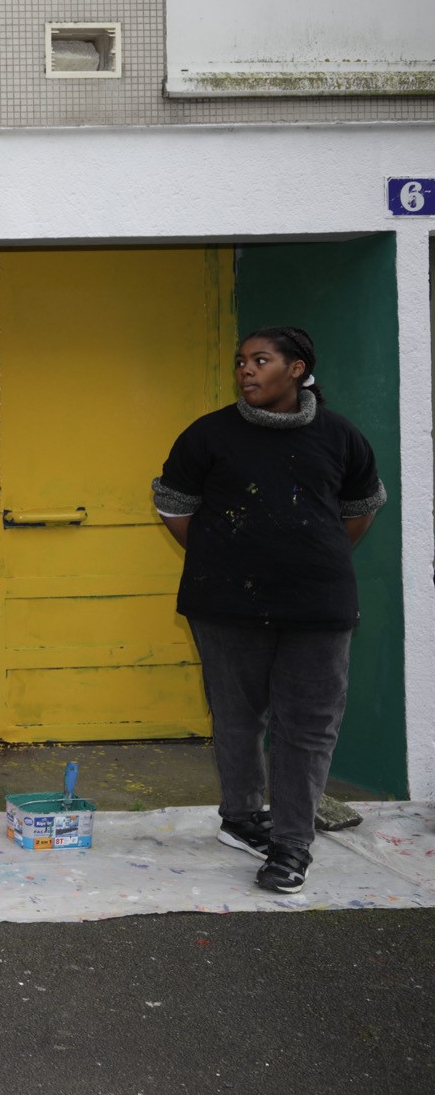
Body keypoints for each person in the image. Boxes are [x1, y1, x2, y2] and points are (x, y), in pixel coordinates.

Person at [152, 325, 386, 895]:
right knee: (237, 715)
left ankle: (290, 845)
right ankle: (240, 817)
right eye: (241, 362)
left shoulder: (340, 436)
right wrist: (225, 560)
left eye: (260, 360)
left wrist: (309, 560)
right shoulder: (208, 435)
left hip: (318, 607)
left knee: (306, 725)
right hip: (225, 603)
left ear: (298, 369)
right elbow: (175, 508)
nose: (246, 371)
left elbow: (358, 510)